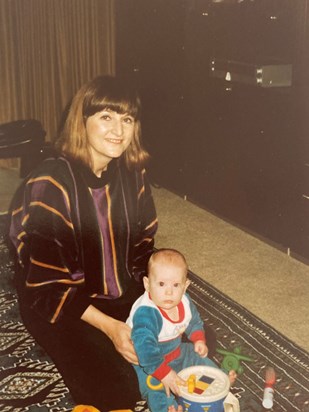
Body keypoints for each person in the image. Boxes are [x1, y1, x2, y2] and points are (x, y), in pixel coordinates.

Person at [8, 75, 158, 411]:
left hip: (118, 290)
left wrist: (159, 292)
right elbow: (46, 283)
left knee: (189, 338)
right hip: (57, 298)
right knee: (115, 388)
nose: (118, 130)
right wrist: (112, 328)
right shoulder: (52, 182)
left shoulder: (133, 175)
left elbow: (142, 246)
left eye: (127, 119)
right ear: (82, 122)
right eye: (106, 117)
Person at [126, 248, 236, 412]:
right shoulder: (147, 313)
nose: (169, 291)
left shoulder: (184, 300)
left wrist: (198, 338)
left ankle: (216, 380)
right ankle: (169, 408)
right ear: (147, 284)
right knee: (155, 388)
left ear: (185, 286)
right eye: (161, 284)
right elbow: (145, 350)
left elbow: (194, 320)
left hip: (176, 351)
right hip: (149, 362)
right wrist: (164, 374)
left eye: (176, 285)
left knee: (199, 357)